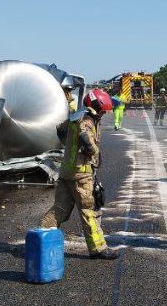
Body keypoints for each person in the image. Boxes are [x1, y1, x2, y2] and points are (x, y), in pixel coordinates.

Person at [41, 89, 119, 260]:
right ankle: (98, 249)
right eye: (103, 110)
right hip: (81, 175)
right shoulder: (87, 121)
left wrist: (70, 146)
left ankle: (40, 241)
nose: (104, 113)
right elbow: (85, 137)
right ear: (96, 106)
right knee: (89, 210)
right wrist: (92, 151)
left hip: (66, 173)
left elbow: (60, 130)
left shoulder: (75, 116)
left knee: (59, 209)